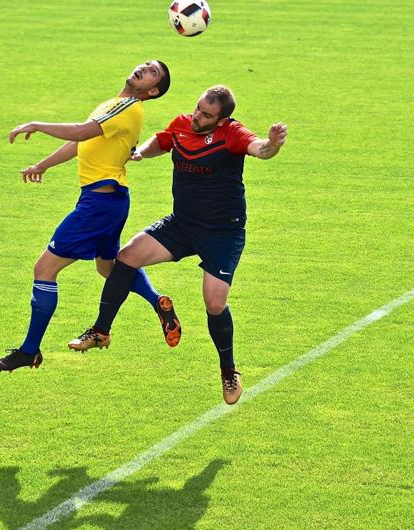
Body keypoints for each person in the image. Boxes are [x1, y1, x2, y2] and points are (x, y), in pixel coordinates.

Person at [68, 85, 288, 404]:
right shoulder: (183, 123)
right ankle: (101, 331)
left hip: (222, 233)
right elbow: (163, 141)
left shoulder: (233, 134)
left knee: (214, 303)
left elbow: (260, 149)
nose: (198, 116)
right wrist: (141, 151)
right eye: (198, 109)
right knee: (127, 257)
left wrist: (273, 143)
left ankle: (229, 372)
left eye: (207, 115)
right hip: (182, 224)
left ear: (223, 119)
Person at [0, 60, 174, 372]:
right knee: (109, 269)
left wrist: (36, 124)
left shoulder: (129, 107)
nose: (144, 68)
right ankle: (158, 302)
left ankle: (29, 351)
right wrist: (43, 165)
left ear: (152, 90)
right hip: (110, 200)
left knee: (44, 269)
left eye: (152, 72)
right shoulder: (115, 104)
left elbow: (81, 130)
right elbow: (82, 143)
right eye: (146, 64)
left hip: (98, 204)